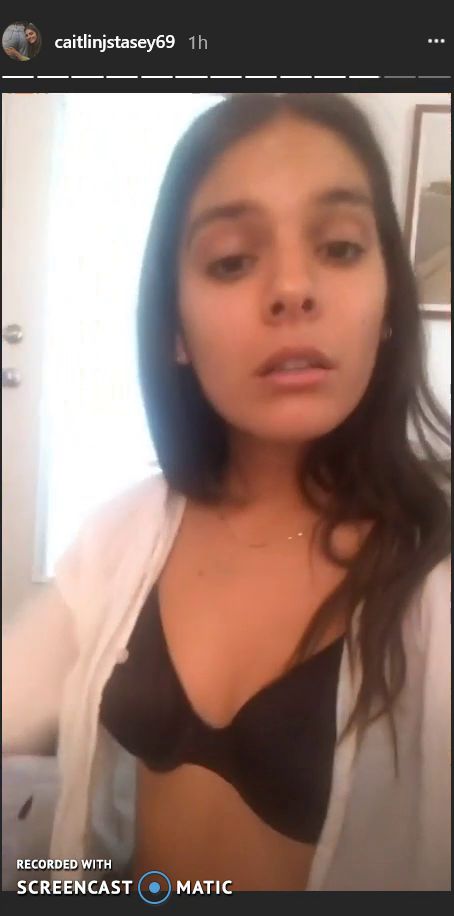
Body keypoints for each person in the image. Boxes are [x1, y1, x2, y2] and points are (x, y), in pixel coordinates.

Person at [2, 93, 451, 892]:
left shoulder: (434, 573)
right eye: (233, 261)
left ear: (388, 303)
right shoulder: (123, 534)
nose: (293, 288)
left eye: (340, 247)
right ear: (176, 329)